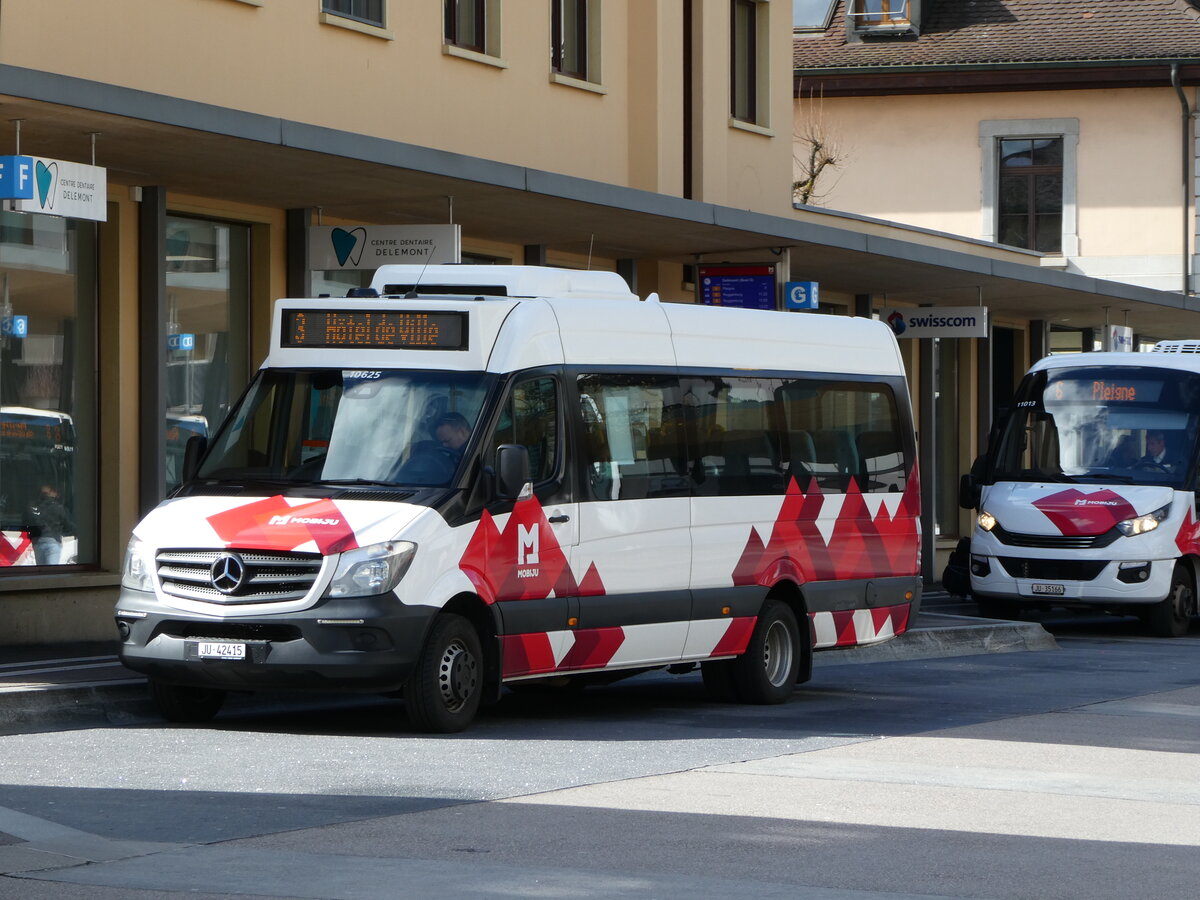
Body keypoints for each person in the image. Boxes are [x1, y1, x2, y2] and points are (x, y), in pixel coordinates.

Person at [26, 484, 74, 566]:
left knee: (41, 571)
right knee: (51, 572)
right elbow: (68, 525)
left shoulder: (33, 507)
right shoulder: (59, 508)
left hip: (37, 541)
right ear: (54, 493)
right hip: (53, 541)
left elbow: (26, 522)